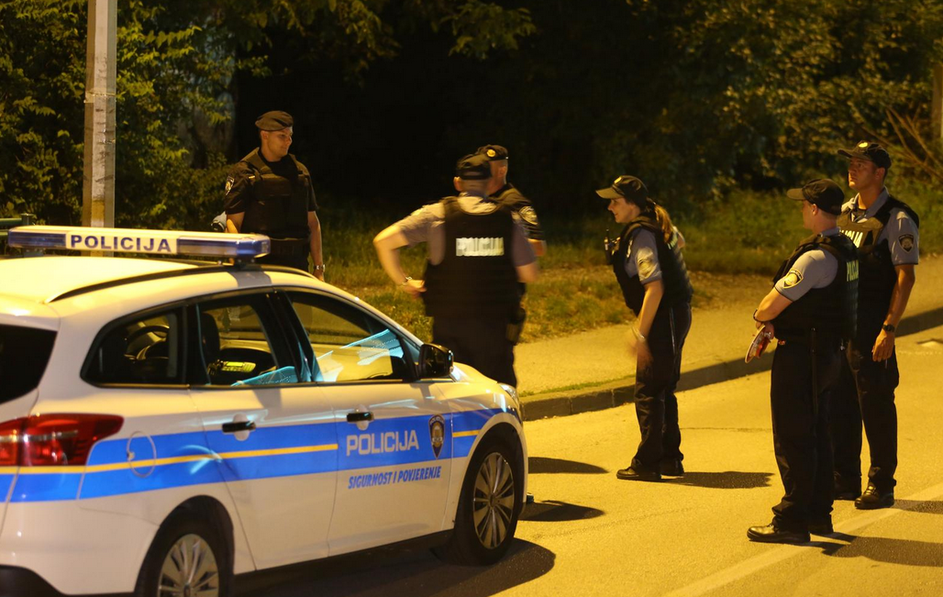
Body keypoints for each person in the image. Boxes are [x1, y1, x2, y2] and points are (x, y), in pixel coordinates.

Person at [747, 179, 859, 543]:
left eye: (803, 205)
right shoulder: (846, 248)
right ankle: (818, 514)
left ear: (814, 209)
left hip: (802, 356)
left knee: (793, 437)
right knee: (818, 435)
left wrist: (763, 318)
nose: (801, 210)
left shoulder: (815, 257)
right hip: (828, 354)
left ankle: (792, 519)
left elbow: (769, 306)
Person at [373, 153, 538, 386]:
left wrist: (405, 282)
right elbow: (529, 274)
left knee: (452, 394)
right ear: (489, 183)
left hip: (449, 333)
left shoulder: (436, 214)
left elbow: (383, 242)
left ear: (458, 183)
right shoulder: (508, 219)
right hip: (495, 332)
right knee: (499, 394)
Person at [830, 141, 919, 509]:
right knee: (841, 401)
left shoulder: (897, 218)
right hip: (843, 323)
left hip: (872, 323)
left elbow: (905, 277)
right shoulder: (844, 213)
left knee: (876, 403)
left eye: (861, 163)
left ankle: (881, 484)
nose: (852, 168)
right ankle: (844, 478)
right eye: (851, 162)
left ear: (879, 173)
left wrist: (889, 328)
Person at [597, 175, 693, 482]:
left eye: (615, 201)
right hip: (675, 315)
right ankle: (669, 458)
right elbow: (679, 242)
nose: (610, 207)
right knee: (662, 386)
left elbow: (655, 287)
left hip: (664, 316)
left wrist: (640, 333)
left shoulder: (642, 234)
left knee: (649, 390)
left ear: (632, 204)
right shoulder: (656, 223)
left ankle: (648, 463)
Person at [223, 111, 324, 278]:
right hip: (259, 266)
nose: (288, 141)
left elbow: (313, 223)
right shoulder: (245, 172)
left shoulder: (299, 172)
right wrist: (240, 265)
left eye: (290, 136)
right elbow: (233, 224)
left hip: (297, 266)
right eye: (282, 136)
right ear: (265, 135)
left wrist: (319, 268)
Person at [476, 144, 546, 256]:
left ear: (502, 171)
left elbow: (539, 247)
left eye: (486, 168)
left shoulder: (514, 201)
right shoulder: (479, 197)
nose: (480, 172)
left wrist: (494, 243)